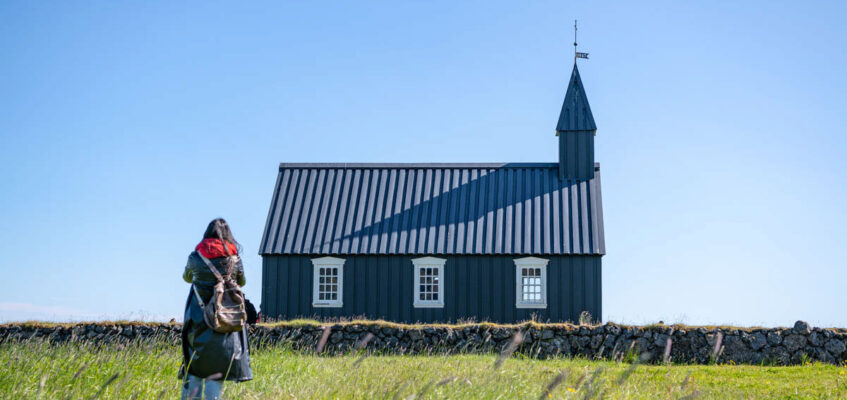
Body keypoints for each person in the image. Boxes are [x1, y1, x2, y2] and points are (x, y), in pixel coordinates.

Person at [181, 218, 253, 399]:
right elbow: (242, 282)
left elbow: (187, 278)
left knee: (195, 369)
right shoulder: (234, 259)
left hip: (198, 319)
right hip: (225, 320)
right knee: (216, 372)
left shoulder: (196, 257)